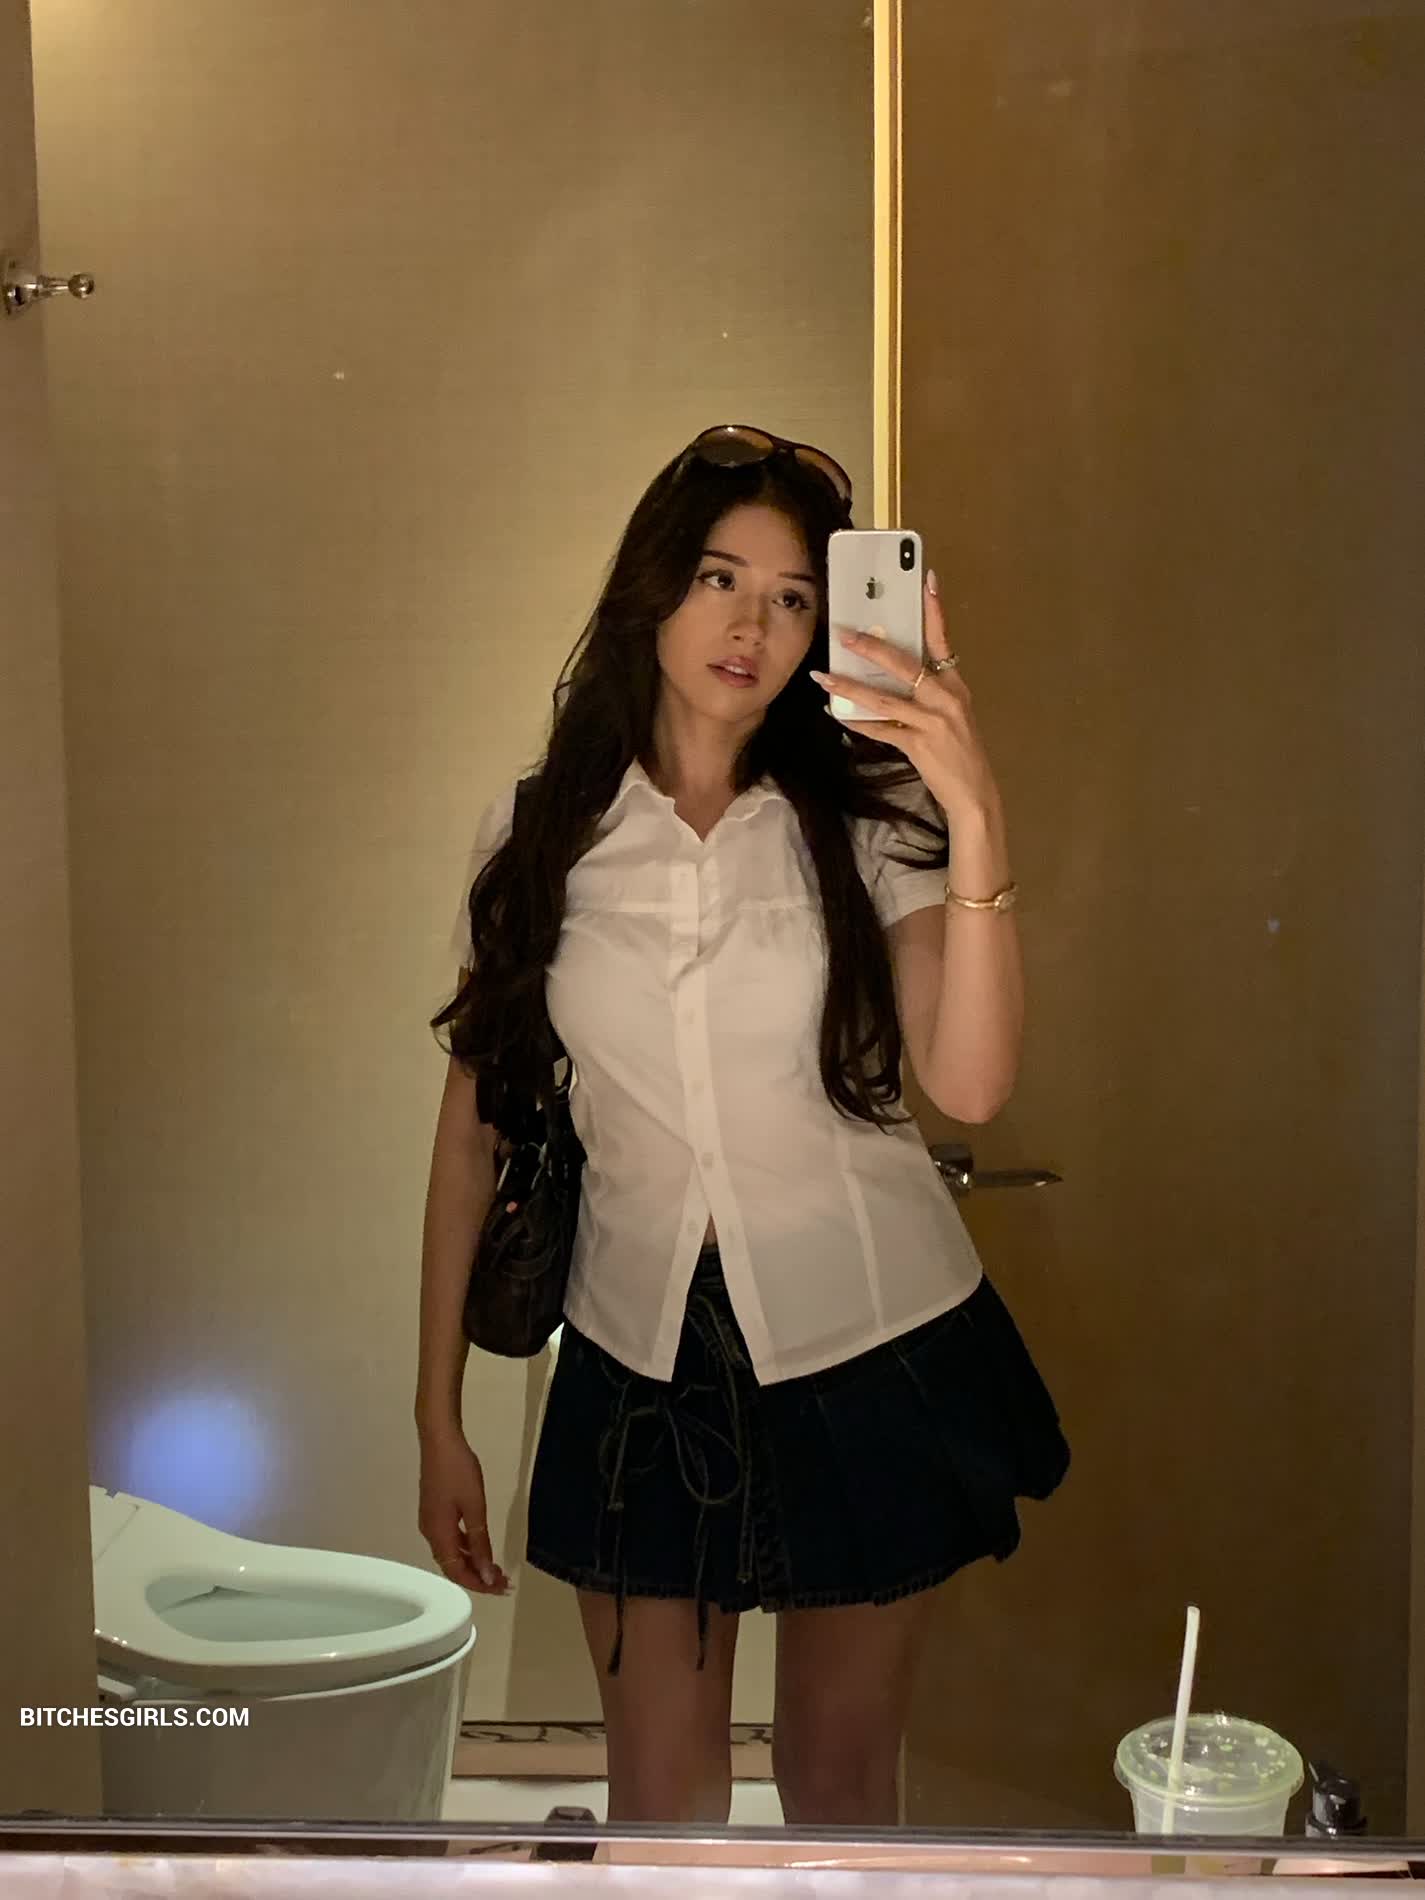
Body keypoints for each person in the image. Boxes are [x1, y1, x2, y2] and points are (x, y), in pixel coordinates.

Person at [416, 424, 1069, 1829]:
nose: (750, 626)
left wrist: (973, 802)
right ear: (652, 587)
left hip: (871, 1339)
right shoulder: (538, 835)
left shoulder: (871, 817)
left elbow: (968, 1086)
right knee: (659, 1806)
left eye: (790, 598)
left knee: (840, 1792)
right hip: (635, 1356)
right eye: (719, 578)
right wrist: (437, 1415)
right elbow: (472, 1133)